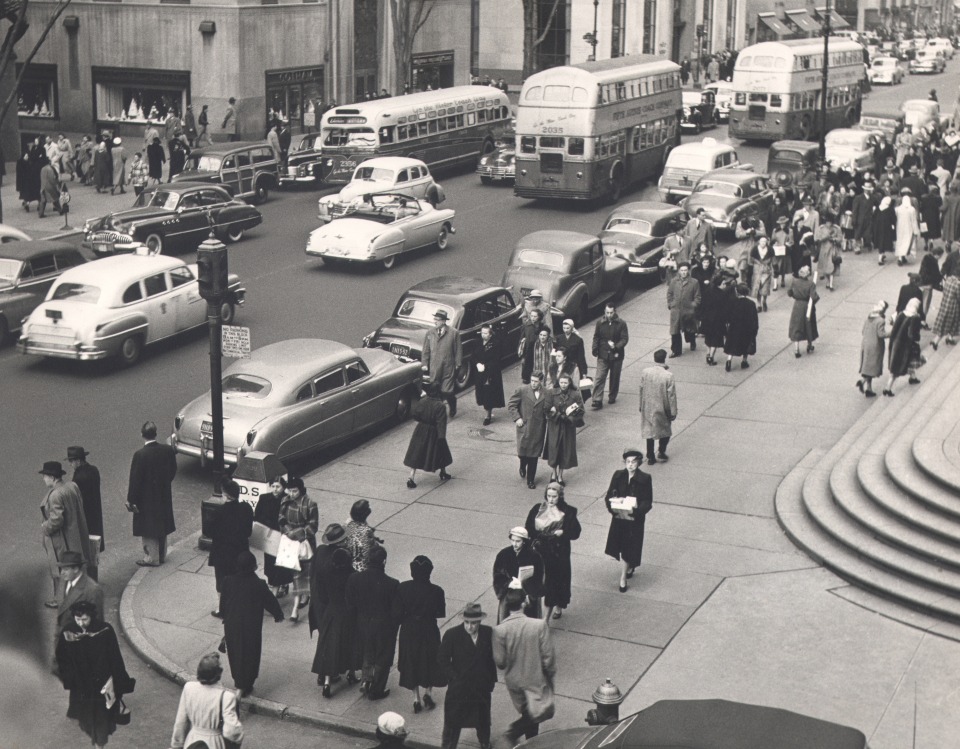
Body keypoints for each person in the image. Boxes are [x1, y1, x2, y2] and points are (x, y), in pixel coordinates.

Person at [55, 601, 134, 749]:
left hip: (102, 684)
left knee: (101, 721)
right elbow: (62, 658)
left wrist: (120, 683)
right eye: (78, 620)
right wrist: (69, 677)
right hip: (81, 685)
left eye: (85, 619)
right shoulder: (69, 632)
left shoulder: (105, 630)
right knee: (86, 719)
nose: (81, 624)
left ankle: (100, 745)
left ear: (92, 617)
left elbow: (115, 658)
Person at [493, 586, 557, 746]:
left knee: (529, 714)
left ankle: (526, 741)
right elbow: (548, 658)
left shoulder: (499, 630)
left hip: (514, 682)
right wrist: (549, 676)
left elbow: (500, 662)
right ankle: (515, 733)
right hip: (535, 678)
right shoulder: (539, 626)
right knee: (535, 714)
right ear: (524, 604)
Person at [220, 551, 283, 697]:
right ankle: (244, 686)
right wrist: (278, 614)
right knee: (251, 654)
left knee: (235, 654)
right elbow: (270, 601)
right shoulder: (258, 584)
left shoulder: (228, 581)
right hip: (251, 627)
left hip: (232, 624)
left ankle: (239, 681)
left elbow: (223, 603)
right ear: (254, 566)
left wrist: (224, 616)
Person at [437, 603, 497, 749]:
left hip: (480, 687)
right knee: (452, 724)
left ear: (480, 622)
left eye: (474, 623)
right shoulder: (452, 635)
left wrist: (490, 681)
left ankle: (484, 743)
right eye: (467, 622)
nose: (470, 627)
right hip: (459, 689)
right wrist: (454, 677)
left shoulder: (488, 633)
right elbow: (442, 659)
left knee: (482, 721)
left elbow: (491, 659)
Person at [345, 545, 399, 700]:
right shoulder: (392, 584)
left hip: (362, 623)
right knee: (383, 657)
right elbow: (396, 611)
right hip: (384, 626)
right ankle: (377, 689)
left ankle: (366, 679)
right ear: (384, 561)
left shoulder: (354, 578)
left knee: (367, 652)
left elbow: (350, 603)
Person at [309, 526, 359, 697]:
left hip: (322, 603)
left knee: (326, 640)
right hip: (336, 605)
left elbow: (314, 575)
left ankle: (324, 675)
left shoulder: (321, 551)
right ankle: (341, 671)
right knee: (342, 640)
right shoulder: (343, 560)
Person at [395, 555, 446, 713]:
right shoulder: (437, 591)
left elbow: (397, 613)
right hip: (429, 629)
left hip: (409, 629)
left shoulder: (402, 588)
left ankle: (416, 698)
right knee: (430, 661)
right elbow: (439, 613)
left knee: (411, 661)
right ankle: (428, 692)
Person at [524, 483, 581, 622]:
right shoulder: (538, 509)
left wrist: (564, 532)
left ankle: (547, 618)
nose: (550, 499)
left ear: (559, 496)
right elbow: (529, 527)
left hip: (557, 552)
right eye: (548, 496)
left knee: (554, 583)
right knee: (538, 582)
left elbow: (576, 532)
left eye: (554, 496)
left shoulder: (568, 512)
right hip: (540, 550)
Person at [40, 461, 92, 607]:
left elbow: (56, 520)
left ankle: (59, 599)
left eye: (45, 476)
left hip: (62, 539)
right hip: (75, 534)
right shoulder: (72, 486)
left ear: (52, 477)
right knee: (76, 567)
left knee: (60, 569)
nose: (44, 479)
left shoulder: (55, 495)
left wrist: (45, 527)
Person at [127, 421, 176, 567]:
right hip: (163, 494)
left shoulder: (140, 455)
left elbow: (135, 480)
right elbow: (173, 470)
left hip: (146, 498)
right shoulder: (167, 450)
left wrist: (131, 500)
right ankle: (162, 555)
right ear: (155, 433)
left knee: (148, 528)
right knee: (162, 524)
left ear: (142, 435)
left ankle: (151, 557)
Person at [604, 449, 653, 592]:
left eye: (633, 462)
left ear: (638, 463)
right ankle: (630, 566)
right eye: (628, 462)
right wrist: (613, 505)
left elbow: (647, 501)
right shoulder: (618, 476)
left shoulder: (645, 479)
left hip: (634, 519)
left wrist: (636, 511)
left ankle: (623, 577)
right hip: (619, 517)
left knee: (629, 546)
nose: (630, 465)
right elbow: (609, 495)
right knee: (622, 545)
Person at [170, 653, 243, 749]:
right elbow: (232, 730)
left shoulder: (189, 688)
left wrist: (177, 745)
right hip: (215, 743)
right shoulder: (226, 697)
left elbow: (181, 721)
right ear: (218, 674)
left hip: (193, 741)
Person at [207, 479, 253, 618]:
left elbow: (209, 531)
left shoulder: (218, 512)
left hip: (222, 553)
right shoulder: (246, 509)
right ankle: (238, 607)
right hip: (240, 552)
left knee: (221, 582)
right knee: (239, 580)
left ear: (226, 495)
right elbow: (248, 532)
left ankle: (222, 609)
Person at [278, 476, 318, 622]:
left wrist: (296, 534)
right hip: (291, 542)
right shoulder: (285, 501)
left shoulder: (310, 504)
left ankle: (296, 608)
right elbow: (281, 519)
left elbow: (313, 526)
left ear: (301, 490)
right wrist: (289, 532)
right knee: (296, 574)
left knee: (302, 573)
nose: (292, 494)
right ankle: (303, 596)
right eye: (291, 490)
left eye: (295, 491)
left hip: (304, 544)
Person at [404, 380, 453, 488]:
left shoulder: (423, 401)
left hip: (421, 429)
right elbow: (441, 423)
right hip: (433, 431)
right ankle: (443, 471)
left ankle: (411, 477)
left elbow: (415, 415)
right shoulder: (440, 406)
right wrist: (441, 437)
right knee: (441, 453)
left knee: (416, 454)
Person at [492, 527, 544, 622]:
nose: (514, 544)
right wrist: (508, 583)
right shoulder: (503, 554)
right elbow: (497, 576)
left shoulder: (535, 556)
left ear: (524, 541)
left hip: (527, 595)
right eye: (512, 540)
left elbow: (539, 578)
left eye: (518, 541)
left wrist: (524, 584)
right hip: (509, 595)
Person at [252, 475, 293, 597]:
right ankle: (274, 583)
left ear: (283, 487)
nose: (275, 489)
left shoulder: (288, 500)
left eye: (278, 487)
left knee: (282, 563)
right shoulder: (264, 498)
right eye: (273, 486)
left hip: (283, 535)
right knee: (270, 562)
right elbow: (258, 515)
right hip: (269, 535)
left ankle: (282, 584)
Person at [508, 372, 549, 489]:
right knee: (523, 453)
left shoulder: (546, 393)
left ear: (541, 381)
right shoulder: (522, 390)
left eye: (536, 381)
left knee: (534, 455)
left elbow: (549, 407)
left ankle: (531, 480)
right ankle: (522, 464)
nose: (533, 384)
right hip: (524, 427)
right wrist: (517, 418)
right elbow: (511, 405)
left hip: (538, 428)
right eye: (532, 381)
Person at [67, 446, 104, 569]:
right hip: (95, 514)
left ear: (78, 461)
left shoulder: (78, 478)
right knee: (94, 549)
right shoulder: (94, 470)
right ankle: (94, 575)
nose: (70, 464)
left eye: (71, 461)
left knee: (85, 549)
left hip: (85, 517)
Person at [638, 349, 678, 464]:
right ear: (664, 359)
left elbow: (641, 388)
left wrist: (641, 404)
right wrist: (673, 411)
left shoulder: (645, 372)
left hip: (648, 406)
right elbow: (671, 395)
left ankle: (650, 456)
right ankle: (661, 451)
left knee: (649, 432)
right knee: (665, 431)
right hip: (662, 407)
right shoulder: (668, 376)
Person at [542, 373, 583, 486]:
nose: (563, 385)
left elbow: (580, 411)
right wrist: (558, 416)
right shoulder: (551, 393)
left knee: (565, 451)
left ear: (569, 383)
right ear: (558, 383)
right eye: (561, 382)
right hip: (554, 426)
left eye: (565, 382)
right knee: (554, 449)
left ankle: (560, 475)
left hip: (568, 428)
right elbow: (546, 409)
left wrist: (568, 418)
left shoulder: (575, 394)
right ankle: (553, 473)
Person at [421, 309, 463, 416]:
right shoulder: (430, 333)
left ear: (444, 321)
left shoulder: (454, 333)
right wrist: (424, 364)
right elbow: (425, 350)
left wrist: (458, 364)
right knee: (434, 391)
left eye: (437, 320)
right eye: (435, 319)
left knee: (447, 391)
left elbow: (458, 350)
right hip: (434, 368)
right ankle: (438, 411)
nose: (435, 322)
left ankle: (452, 405)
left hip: (448, 368)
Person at [55, 551, 104, 634]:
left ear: (76, 569)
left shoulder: (92, 590)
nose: (62, 573)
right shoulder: (65, 580)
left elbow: (97, 624)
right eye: (61, 569)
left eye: (66, 569)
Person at [591, 303, 629, 407]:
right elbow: (596, 337)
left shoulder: (621, 324)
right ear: (604, 312)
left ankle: (612, 396)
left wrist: (616, 346)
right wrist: (595, 348)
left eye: (611, 313)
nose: (609, 315)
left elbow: (624, 339)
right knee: (599, 377)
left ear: (615, 312)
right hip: (603, 354)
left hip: (616, 355)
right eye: (607, 312)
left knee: (614, 377)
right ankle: (597, 400)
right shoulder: (600, 323)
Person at [885, 297, 924, 395]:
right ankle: (887, 389)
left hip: (895, 343)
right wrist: (917, 337)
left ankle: (913, 377)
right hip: (905, 346)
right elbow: (912, 334)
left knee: (904, 362)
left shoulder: (902, 314)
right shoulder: (915, 318)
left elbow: (894, 330)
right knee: (897, 368)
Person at [857, 301, 891, 398]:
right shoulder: (880, 321)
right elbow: (881, 334)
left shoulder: (869, 317)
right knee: (872, 367)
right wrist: (892, 333)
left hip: (866, 343)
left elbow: (863, 331)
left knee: (868, 366)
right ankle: (863, 381)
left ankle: (869, 388)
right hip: (875, 346)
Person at [698, 256, 727, 365]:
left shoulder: (708, 292)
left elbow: (703, 305)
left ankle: (707, 354)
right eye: (723, 284)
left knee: (708, 339)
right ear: (720, 284)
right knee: (716, 340)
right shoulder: (722, 295)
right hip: (718, 321)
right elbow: (725, 309)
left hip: (707, 320)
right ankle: (711, 356)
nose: (725, 285)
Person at [667, 262, 701, 357]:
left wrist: (693, 306)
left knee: (689, 329)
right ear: (679, 271)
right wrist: (670, 304)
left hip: (688, 310)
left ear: (688, 270)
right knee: (675, 331)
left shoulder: (694, 282)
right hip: (676, 310)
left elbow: (697, 297)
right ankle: (676, 350)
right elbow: (669, 293)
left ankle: (692, 341)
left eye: (685, 270)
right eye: (682, 270)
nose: (683, 272)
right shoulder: (674, 281)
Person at [724, 284, 760, 372]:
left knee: (732, 345)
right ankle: (744, 361)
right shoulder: (751, 304)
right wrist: (755, 329)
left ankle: (729, 360)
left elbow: (728, 316)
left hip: (735, 327)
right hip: (747, 328)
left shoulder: (733, 302)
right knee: (746, 344)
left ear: (737, 292)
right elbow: (754, 318)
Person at [474, 324, 505, 425]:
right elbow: (473, 355)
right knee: (481, 393)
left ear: (490, 334)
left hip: (491, 373)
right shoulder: (478, 342)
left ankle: (488, 415)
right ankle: (486, 409)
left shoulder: (496, 343)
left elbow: (497, 359)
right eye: (482, 333)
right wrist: (477, 363)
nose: (483, 335)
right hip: (479, 372)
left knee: (489, 394)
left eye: (486, 333)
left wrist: (486, 366)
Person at [787, 265, 819, 358]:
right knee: (808, 325)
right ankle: (809, 345)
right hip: (807, 306)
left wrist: (795, 296)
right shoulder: (810, 284)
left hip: (797, 306)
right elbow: (814, 297)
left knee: (797, 326)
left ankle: (796, 349)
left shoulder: (795, 282)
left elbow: (789, 292)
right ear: (808, 274)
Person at [346, 498, 378, 572]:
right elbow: (368, 550)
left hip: (350, 561)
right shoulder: (367, 531)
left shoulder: (349, 524)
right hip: (361, 566)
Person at [931, 268, 960, 349]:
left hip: (944, 305)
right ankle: (946, 338)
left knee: (943, 324)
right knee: (954, 323)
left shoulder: (948, 280)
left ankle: (937, 340)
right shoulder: (958, 284)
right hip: (953, 308)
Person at [814, 216, 842, 290]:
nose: (829, 224)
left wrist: (834, 239)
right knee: (825, 268)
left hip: (833, 250)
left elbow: (840, 238)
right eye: (827, 222)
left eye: (830, 222)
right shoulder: (821, 229)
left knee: (832, 267)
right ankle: (828, 281)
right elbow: (817, 239)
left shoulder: (837, 228)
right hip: (823, 250)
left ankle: (831, 284)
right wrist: (825, 237)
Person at [919, 244, 944, 323]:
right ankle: (923, 321)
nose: (940, 258)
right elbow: (935, 276)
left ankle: (921, 319)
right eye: (940, 256)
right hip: (928, 285)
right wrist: (940, 277)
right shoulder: (933, 262)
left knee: (921, 302)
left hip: (921, 283)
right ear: (937, 254)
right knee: (925, 304)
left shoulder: (927, 259)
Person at [750, 235, 776, 309]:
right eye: (762, 241)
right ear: (759, 242)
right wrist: (756, 263)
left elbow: (773, 260)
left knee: (765, 287)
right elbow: (751, 259)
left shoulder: (770, 249)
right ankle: (759, 304)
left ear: (767, 242)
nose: (763, 243)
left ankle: (764, 301)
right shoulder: (755, 249)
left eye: (765, 241)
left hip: (766, 270)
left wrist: (774, 269)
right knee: (758, 287)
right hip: (757, 270)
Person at [895, 193, 921, 266]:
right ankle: (904, 256)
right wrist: (916, 230)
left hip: (899, 228)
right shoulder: (912, 209)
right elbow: (913, 220)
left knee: (900, 242)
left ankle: (900, 257)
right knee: (907, 242)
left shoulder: (897, 209)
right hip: (908, 228)